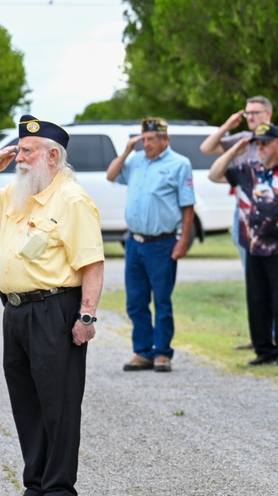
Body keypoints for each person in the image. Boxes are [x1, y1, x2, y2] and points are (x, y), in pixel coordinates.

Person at [0, 115, 105, 496]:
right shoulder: (16, 192)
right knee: (26, 402)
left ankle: (60, 488)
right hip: (16, 311)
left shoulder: (72, 200)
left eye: (27, 151)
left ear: (52, 156)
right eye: (19, 150)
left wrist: (86, 318)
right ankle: (35, 484)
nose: (19, 157)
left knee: (58, 402)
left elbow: (92, 264)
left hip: (55, 309)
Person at [206, 123, 278, 365]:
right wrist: (233, 151)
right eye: (258, 143)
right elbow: (214, 174)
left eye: (265, 143)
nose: (261, 148)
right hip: (254, 246)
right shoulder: (248, 169)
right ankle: (263, 350)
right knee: (256, 300)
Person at [106, 117, 195, 373]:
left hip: (162, 243)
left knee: (162, 300)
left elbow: (188, 206)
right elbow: (111, 175)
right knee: (136, 301)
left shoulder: (179, 164)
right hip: (134, 242)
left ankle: (162, 353)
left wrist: (183, 242)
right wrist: (125, 150)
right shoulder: (135, 161)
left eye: (152, 140)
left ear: (165, 139)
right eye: (144, 139)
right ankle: (142, 352)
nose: (147, 144)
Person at [200, 96, 278, 273]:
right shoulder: (243, 140)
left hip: (270, 214)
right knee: (252, 274)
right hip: (244, 215)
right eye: (248, 113)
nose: (250, 117)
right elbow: (206, 148)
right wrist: (227, 127)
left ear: (269, 114)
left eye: (255, 112)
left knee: (271, 272)